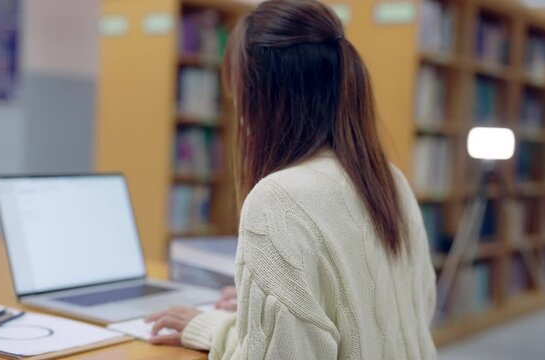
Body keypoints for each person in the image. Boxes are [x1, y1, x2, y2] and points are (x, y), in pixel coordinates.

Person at [145, 0, 437, 358]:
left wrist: (213, 329)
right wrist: (273, 310)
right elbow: (408, 308)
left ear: (258, 100)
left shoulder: (277, 201)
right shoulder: (390, 180)